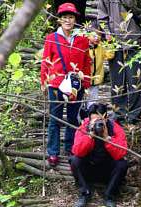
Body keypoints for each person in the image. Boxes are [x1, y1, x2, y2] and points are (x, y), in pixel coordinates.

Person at [41, 3, 91, 166]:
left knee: (72, 118)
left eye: (71, 17)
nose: (68, 20)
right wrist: (44, 81)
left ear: (75, 19)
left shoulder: (83, 40)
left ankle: (70, 147)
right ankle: (53, 152)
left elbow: (86, 61)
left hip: (76, 85)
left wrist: (86, 82)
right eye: (64, 17)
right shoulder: (51, 39)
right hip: (56, 84)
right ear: (59, 20)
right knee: (55, 119)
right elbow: (46, 62)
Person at [97, 0, 141, 124]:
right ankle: (119, 114)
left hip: (136, 41)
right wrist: (107, 32)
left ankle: (135, 116)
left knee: (135, 80)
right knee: (117, 81)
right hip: (115, 42)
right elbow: (102, 16)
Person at [70, 102, 128, 207]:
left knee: (122, 164)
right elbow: (77, 151)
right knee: (74, 160)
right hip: (89, 168)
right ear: (89, 119)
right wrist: (89, 136)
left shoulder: (115, 128)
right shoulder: (84, 128)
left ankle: (109, 196)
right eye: (94, 120)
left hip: (107, 170)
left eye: (100, 120)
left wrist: (107, 138)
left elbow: (121, 153)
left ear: (106, 118)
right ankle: (85, 193)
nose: (98, 123)